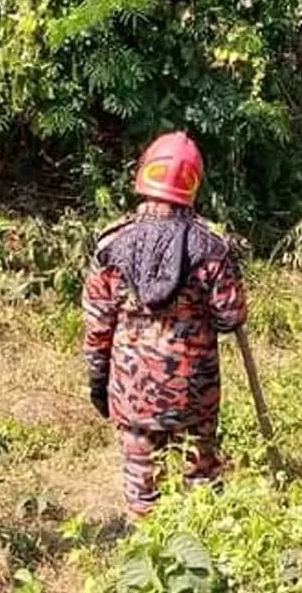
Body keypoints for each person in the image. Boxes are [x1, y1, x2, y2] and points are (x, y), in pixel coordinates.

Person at [83, 131, 248, 517]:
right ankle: (203, 548)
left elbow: (97, 324)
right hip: (195, 387)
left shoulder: (111, 244)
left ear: (144, 173)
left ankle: (148, 551)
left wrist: (97, 380)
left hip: (131, 385)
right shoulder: (211, 246)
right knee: (200, 475)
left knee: (142, 480)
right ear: (193, 182)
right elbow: (230, 317)